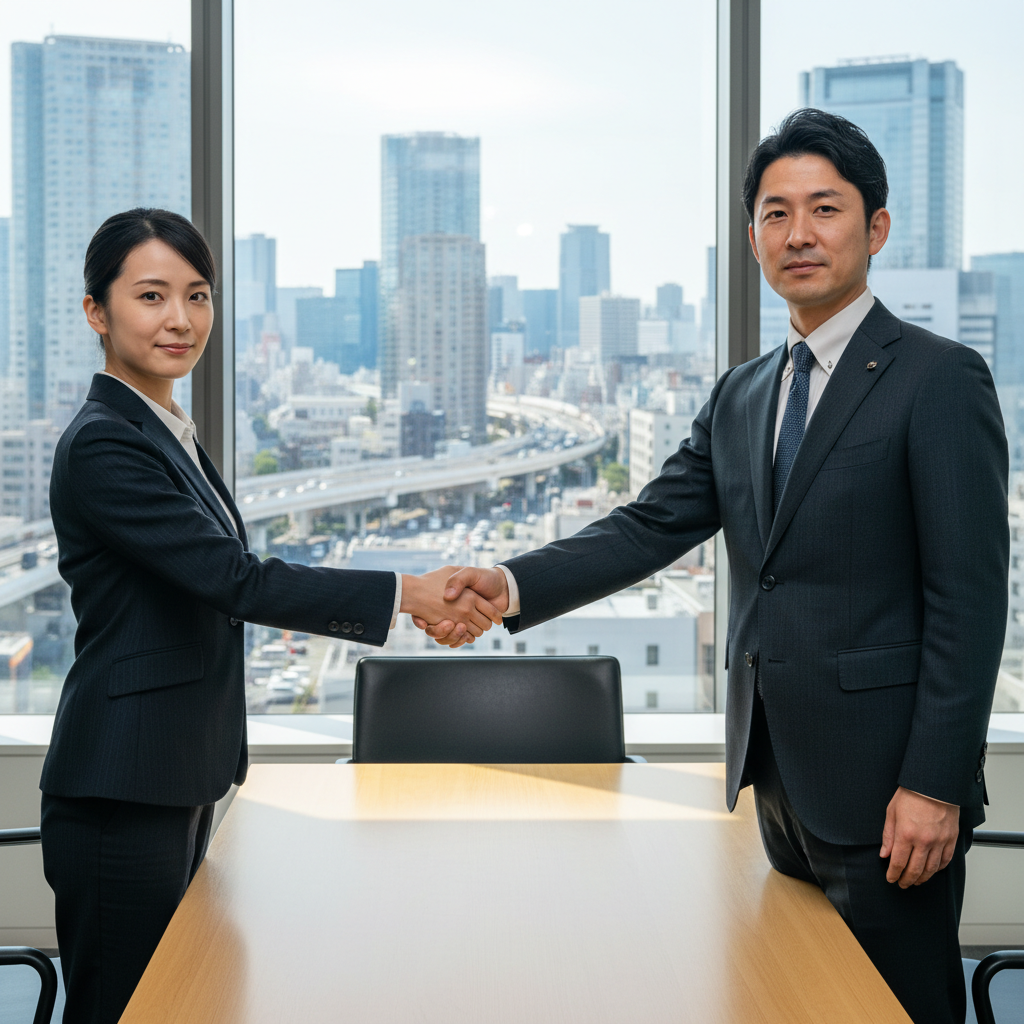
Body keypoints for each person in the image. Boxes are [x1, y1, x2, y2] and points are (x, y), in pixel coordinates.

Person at [423, 109, 1008, 1024]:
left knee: (897, 1010)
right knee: (794, 999)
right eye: (776, 214)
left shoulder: (940, 379)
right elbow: (651, 526)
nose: (799, 234)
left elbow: (969, 602)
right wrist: (511, 583)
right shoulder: (743, 391)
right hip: (775, 783)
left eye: (826, 208)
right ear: (751, 239)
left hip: (890, 792)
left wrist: (933, 783)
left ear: (876, 227)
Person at [40, 208, 499, 1024]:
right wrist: (404, 593)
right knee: (128, 1009)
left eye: (198, 295)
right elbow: (235, 581)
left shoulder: (163, 429)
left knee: (178, 1000)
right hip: (120, 786)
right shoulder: (105, 442)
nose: (180, 319)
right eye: (151, 295)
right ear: (95, 312)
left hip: (170, 771)